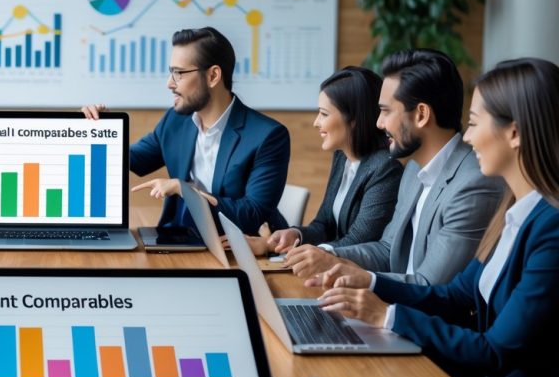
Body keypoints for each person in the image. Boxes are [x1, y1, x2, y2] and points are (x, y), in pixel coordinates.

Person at [312, 58, 559, 377]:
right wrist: (371, 283)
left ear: (513, 133)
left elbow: (494, 352)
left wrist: (386, 315)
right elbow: (457, 294)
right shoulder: (513, 211)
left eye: (475, 123)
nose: (469, 137)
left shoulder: (551, 228)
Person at [284, 49, 505, 285]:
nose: (379, 123)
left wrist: (364, 280)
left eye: (386, 111)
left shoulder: (473, 184)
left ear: (421, 114)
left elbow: (429, 286)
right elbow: (388, 249)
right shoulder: (413, 170)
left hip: (415, 316)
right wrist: (328, 256)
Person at [83, 26, 290, 236]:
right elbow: (134, 160)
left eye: (179, 73)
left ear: (213, 76)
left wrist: (186, 191)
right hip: (183, 239)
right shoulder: (176, 121)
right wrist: (102, 131)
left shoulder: (267, 136)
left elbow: (253, 215)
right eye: (171, 72)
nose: (169, 84)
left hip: (239, 249)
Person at [244, 67, 402, 256]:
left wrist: (307, 253)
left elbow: (359, 241)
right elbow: (324, 224)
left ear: (354, 119)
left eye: (324, 114)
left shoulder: (385, 167)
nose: (316, 122)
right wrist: (296, 235)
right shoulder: (342, 157)